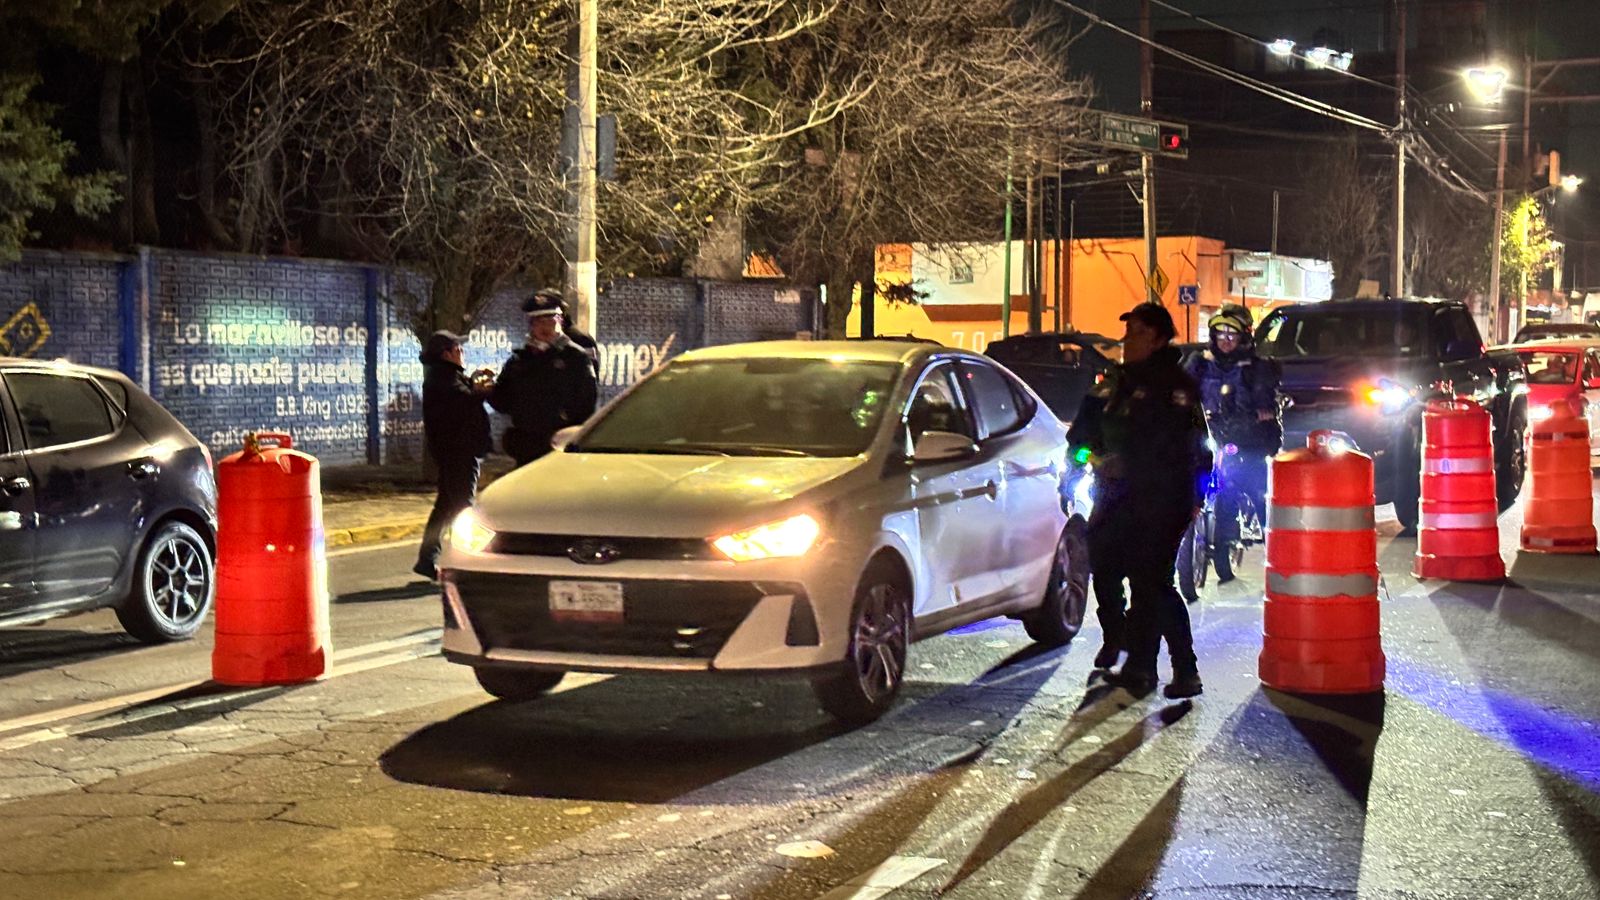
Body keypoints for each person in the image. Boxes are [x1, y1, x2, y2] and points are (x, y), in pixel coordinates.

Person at [1068, 303, 1211, 699]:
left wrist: (1129, 465)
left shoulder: (1174, 386)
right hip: (1119, 498)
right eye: (1126, 332)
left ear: (1157, 338)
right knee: (1106, 562)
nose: (1125, 340)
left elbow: (1179, 448)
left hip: (1163, 501)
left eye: (1135, 333)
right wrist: (1088, 459)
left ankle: (1182, 669)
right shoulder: (1115, 383)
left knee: (1152, 581)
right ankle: (1130, 652)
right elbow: (1081, 439)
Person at [1183, 304, 1281, 585]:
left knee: (1254, 486)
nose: (1226, 340)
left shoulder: (1256, 368)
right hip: (1207, 432)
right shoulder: (1199, 363)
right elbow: (1180, 390)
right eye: (1220, 333)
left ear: (1244, 337)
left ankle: (1273, 542)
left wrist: (1262, 412)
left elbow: (1265, 396)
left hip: (1244, 437)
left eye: (1232, 335)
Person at [414, 330, 493, 581]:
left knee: (446, 505)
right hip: (459, 452)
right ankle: (468, 561)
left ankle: (428, 557)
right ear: (446, 354)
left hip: (455, 452)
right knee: (463, 508)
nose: (462, 353)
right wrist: (480, 392)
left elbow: (463, 396)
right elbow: (462, 404)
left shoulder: (446, 377)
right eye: (458, 349)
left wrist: (475, 385)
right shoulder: (443, 380)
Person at [490, 290, 599, 466]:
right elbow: (503, 402)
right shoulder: (520, 360)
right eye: (539, 322)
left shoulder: (576, 357)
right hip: (526, 447)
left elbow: (587, 403)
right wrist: (488, 390)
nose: (545, 327)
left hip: (559, 447)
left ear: (561, 321)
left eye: (551, 320)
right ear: (531, 326)